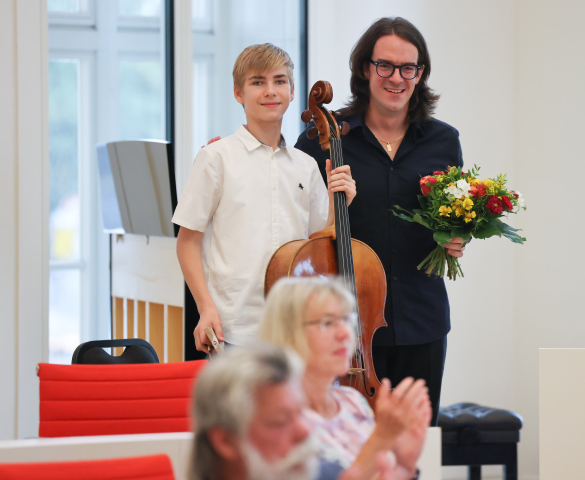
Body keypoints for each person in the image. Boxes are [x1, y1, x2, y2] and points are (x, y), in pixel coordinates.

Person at [295, 17, 465, 424]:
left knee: (413, 445)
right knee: (342, 447)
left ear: (420, 73)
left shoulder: (444, 140)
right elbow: (295, 222)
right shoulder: (325, 139)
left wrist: (457, 238)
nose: (397, 77)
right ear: (365, 69)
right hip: (341, 325)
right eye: (385, 65)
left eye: (409, 67)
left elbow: (454, 213)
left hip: (421, 319)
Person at [172, 43, 356, 352]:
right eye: (258, 82)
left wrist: (340, 203)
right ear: (238, 93)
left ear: (292, 91)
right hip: (234, 330)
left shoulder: (306, 166)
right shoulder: (215, 157)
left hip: (296, 330)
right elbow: (187, 242)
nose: (270, 91)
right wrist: (205, 308)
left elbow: (318, 244)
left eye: (279, 81)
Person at [259, 276, 431, 480]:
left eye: (346, 320)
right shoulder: (276, 420)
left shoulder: (352, 401)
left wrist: (405, 465)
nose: (344, 333)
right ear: (287, 331)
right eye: (327, 322)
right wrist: (382, 438)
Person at [188, 342, 402, 480]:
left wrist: (406, 467)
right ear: (226, 440)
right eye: (281, 421)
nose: (305, 430)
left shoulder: (327, 472)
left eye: (301, 412)